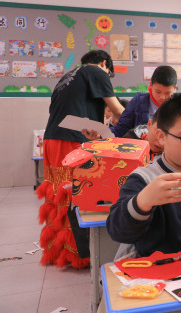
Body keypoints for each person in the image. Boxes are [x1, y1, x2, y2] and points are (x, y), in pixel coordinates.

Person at [106, 93, 181, 257]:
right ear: (161, 137)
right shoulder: (144, 178)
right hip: (157, 265)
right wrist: (142, 201)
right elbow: (118, 232)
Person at [37, 50, 123, 268]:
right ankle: (77, 255)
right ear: (104, 64)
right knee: (75, 192)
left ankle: (58, 252)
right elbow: (118, 111)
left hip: (52, 138)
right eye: (109, 73)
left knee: (57, 193)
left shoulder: (68, 77)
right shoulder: (96, 71)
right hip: (71, 140)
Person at [111, 65, 177, 137]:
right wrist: (103, 134)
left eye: (167, 93)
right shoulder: (138, 102)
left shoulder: (178, 106)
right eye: (158, 92)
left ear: (174, 88)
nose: (162, 97)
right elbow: (121, 129)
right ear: (151, 85)